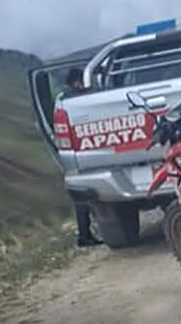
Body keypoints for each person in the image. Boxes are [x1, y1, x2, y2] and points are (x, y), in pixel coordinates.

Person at [57, 69, 102, 247]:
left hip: (75, 153)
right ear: (78, 81)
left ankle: (86, 234)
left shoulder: (64, 99)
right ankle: (84, 235)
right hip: (83, 153)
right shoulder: (79, 100)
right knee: (84, 201)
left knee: (82, 199)